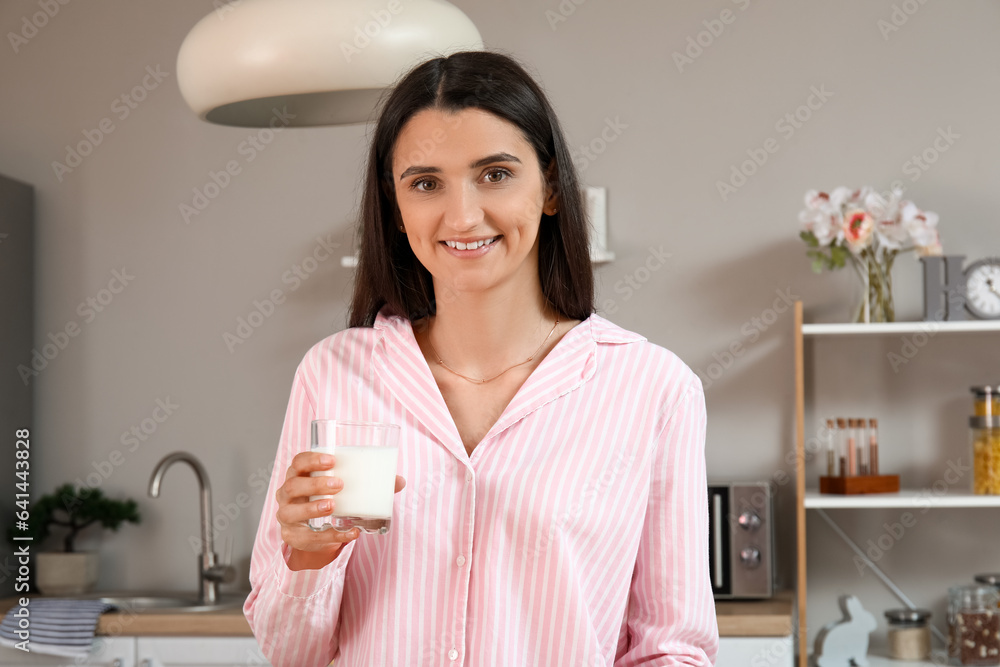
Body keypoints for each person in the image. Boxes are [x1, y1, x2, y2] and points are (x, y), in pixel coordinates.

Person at [244, 49, 718, 667]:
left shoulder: (653, 389)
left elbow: (673, 650)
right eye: (425, 183)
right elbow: (289, 653)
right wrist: (308, 558)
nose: (463, 215)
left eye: (495, 174)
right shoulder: (335, 375)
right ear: (394, 208)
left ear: (549, 188)